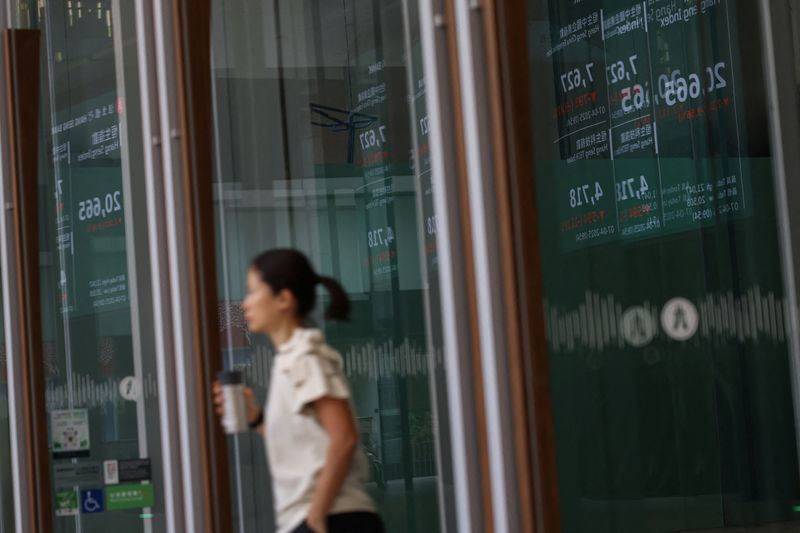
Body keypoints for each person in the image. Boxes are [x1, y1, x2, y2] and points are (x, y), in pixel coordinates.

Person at [213, 249, 384, 533]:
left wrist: (315, 517)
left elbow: (344, 438)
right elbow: (305, 442)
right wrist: (256, 418)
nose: (245, 304)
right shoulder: (289, 360)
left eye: (253, 292)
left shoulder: (305, 358)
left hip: (333, 517)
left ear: (284, 299)